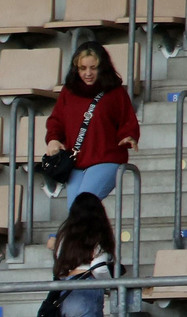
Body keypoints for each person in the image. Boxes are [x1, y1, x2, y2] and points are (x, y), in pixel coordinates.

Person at [45, 41, 139, 208]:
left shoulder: (116, 93)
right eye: (83, 68)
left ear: (102, 67)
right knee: (75, 213)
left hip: (106, 159)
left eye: (93, 68)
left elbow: (127, 121)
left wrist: (128, 136)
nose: (88, 73)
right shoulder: (68, 91)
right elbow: (56, 121)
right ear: (76, 69)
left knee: (82, 208)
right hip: (76, 163)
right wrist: (53, 139)